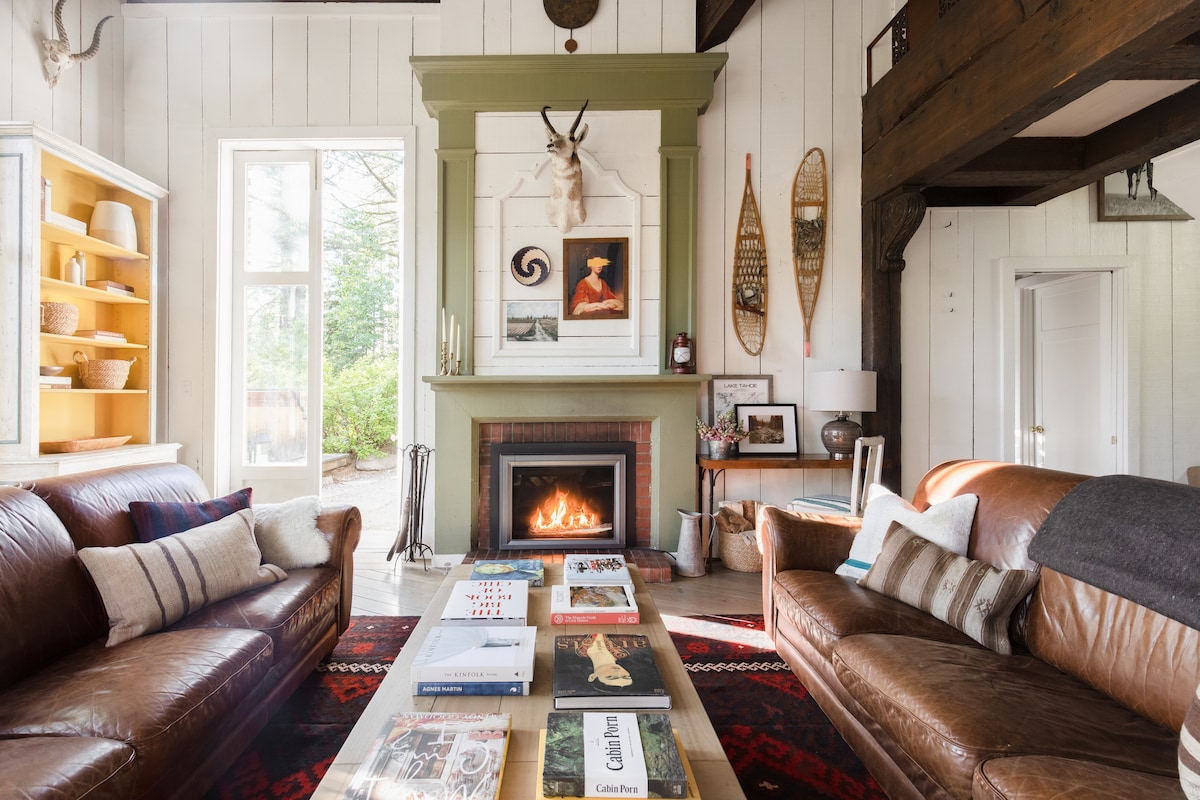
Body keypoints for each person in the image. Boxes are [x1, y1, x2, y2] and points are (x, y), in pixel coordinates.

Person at [570, 249, 624, 316]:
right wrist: (599, 305)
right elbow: (580, 307)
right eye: (595, 263)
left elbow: (612, 300)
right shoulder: (583, 284)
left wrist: (607, 304)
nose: (598, 265)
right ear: (590, 265)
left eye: (600, 262)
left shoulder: (603, 283)